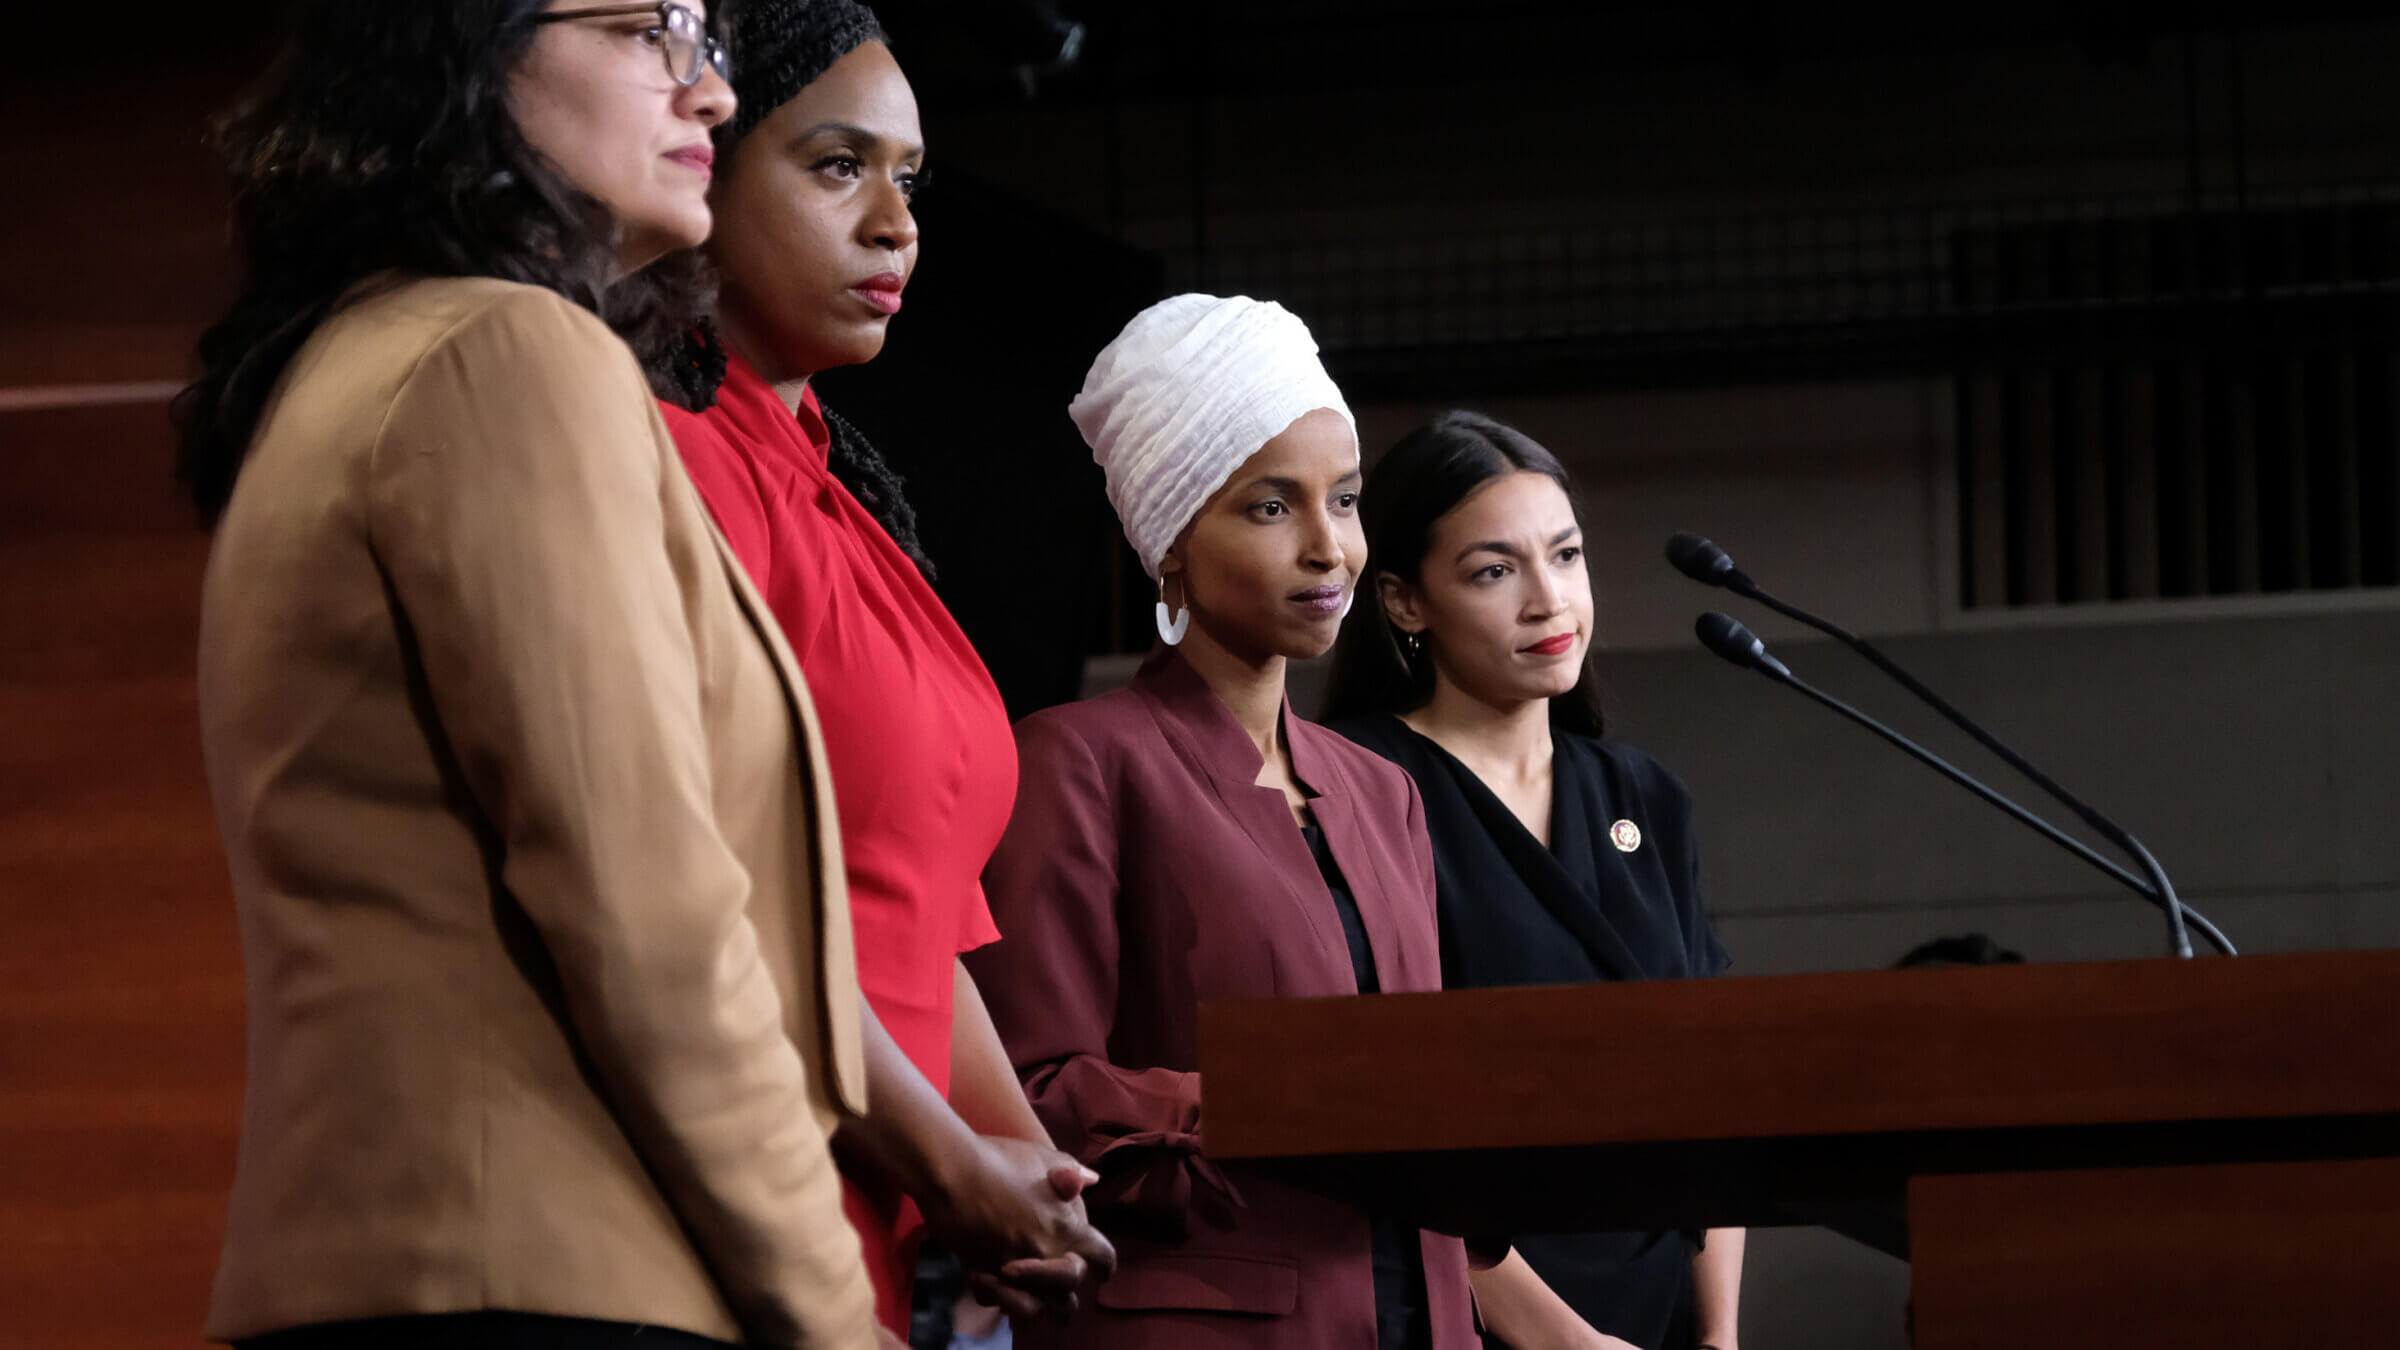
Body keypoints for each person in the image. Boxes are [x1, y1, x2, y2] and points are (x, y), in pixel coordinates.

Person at [174, 3, 876, 1346]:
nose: (711, 92)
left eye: (705, 34)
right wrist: (839, 1315)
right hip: (548, 1278)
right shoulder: (506, 355)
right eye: (644, 29)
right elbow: (650, 921)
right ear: (459, 54)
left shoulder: (365, 360)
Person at [650, 0, 1114, 1332]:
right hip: (731, 1207)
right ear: (706, 169)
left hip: (869, 1221)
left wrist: (1028, 1171)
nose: (897, 223)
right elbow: (715, 904)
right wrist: (956, 1166)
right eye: (836, 165)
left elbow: (924, 917)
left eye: (908, 178)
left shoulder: (854, 503)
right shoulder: (676, 469)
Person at [964, 294, 1480, 1350]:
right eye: (1270, 507)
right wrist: (1282, 1100)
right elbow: (1028, 1089)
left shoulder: (1385, 792)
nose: (1328, 548)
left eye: (1345, 499)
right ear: (1169, 546)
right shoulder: (1078, 759)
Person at [1322, 411, 1744, 1350]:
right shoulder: (1352, 786)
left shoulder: (1643, 793)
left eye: (1566, 556)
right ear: (1402, 602)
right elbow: (1379, 1112)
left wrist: (1719, 1335)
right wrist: (1566, 1343)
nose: (1549, 600)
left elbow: (1714, 1089)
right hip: (1463, 1313)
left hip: (1661, 1313)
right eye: (1494, 571)